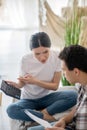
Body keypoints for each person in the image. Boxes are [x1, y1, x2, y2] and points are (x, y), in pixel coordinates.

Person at [6, 32, 77, 122]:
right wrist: (17, 85)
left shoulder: (56, 57)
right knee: (11, 110)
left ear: (50, 48)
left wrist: (35, 81)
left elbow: (55, 86)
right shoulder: (25, 60)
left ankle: (42, 112)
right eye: (37, 54)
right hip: (28, 99)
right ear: (32, 51)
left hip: (47, 98)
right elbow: (22, 83)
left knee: (74, 95)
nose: (42, 57)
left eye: (45, 52)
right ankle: (46, 117)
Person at [28, 45, 87, 130]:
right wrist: (63, 120)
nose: (63, 74)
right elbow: (78, 107)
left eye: (64, 70)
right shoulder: (82, 84)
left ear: (76, 72)